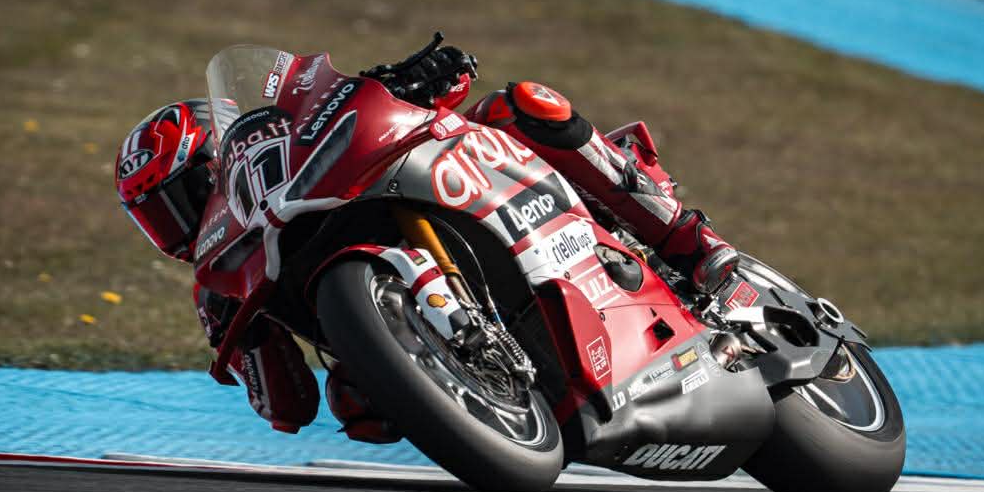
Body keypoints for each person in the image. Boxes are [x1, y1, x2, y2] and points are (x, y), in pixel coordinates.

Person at [115, 41, 739, 444]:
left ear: (215, 157)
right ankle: (486, 382)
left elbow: (368, 100)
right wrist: (247, 338)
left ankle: (690, 241)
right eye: (158, 218)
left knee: (522, 106)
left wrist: (413, 78)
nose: (180, 223)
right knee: (356, 406)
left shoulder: (286, 146)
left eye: (181, 197)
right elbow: (289, 408)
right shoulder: (221, 289)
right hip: (414, 346)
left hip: (426, 188)